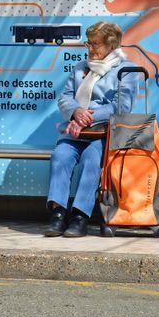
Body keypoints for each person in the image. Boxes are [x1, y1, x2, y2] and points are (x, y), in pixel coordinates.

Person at [45, 21, 139, 238]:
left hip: (102, 133)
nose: (90, 49)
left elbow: (122, 106)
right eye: (89, 43)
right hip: (76, 130)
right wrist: (76, 111)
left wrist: (88, 117)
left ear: (111, 45)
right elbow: (65, 97)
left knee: (91, 159)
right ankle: (58, 214)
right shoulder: (81, 68)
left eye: (95, 44)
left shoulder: (126, 70)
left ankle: (80, 216)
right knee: (60, 156)